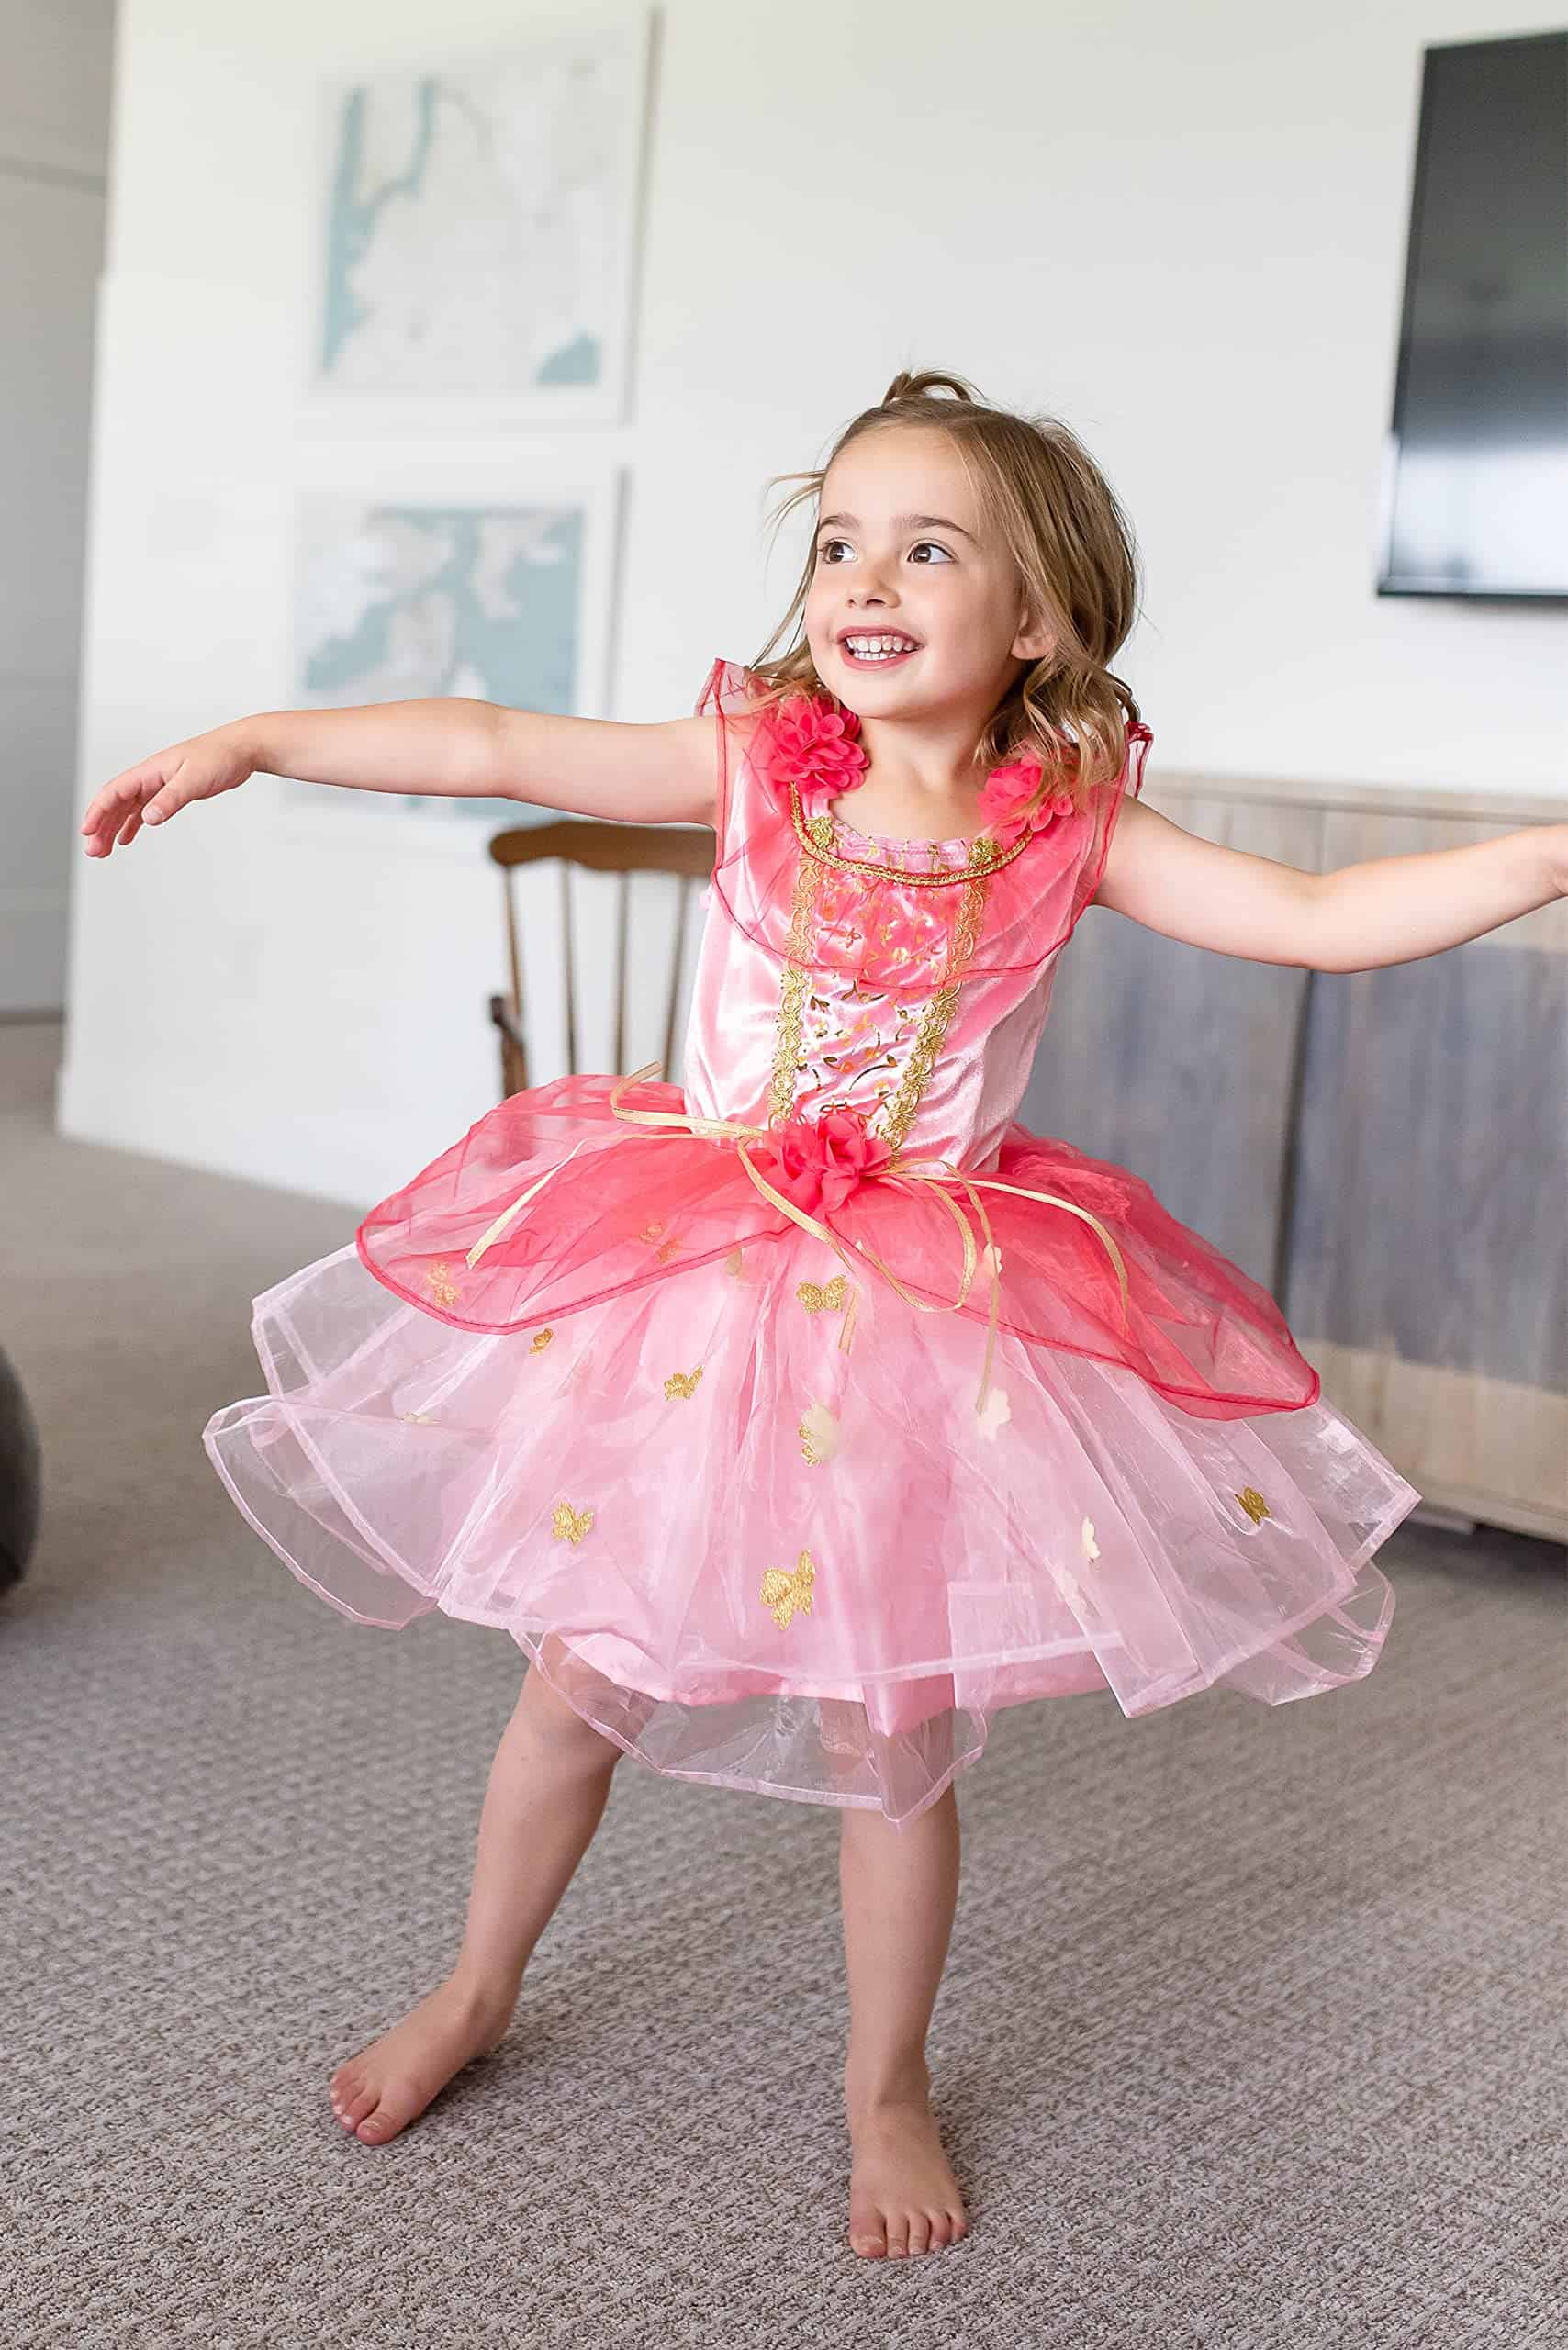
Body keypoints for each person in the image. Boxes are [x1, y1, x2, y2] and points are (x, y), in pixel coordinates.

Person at [79, 370, 1567, 2260]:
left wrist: (1539, 855)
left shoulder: (1069, 829)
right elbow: (490, 738)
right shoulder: (750, 761)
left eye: (927, 548)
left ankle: (884, 2080)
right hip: (694, 1303)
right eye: (840, 540)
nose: (864, 577)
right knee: (576, 1682)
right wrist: (254, 739)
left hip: (918, 1333)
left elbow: (1311, 914)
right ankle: (474, 1982)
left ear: (1035, 620)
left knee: (894, 1734)